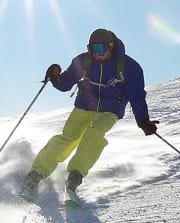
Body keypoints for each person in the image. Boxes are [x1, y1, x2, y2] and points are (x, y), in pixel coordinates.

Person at [21, 28, 158, 202]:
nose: (97, 54)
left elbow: (136, 95)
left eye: (101, 49)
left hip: (109, 110)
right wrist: (55, 78)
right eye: (93, 49)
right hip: (84, 106)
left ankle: (74, 177)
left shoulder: (129, 67)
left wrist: (143, 120)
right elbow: (65, 84)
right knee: (68, 138)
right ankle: (35, 175)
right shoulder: (83, 61)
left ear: (111, 47)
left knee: (93, 136)